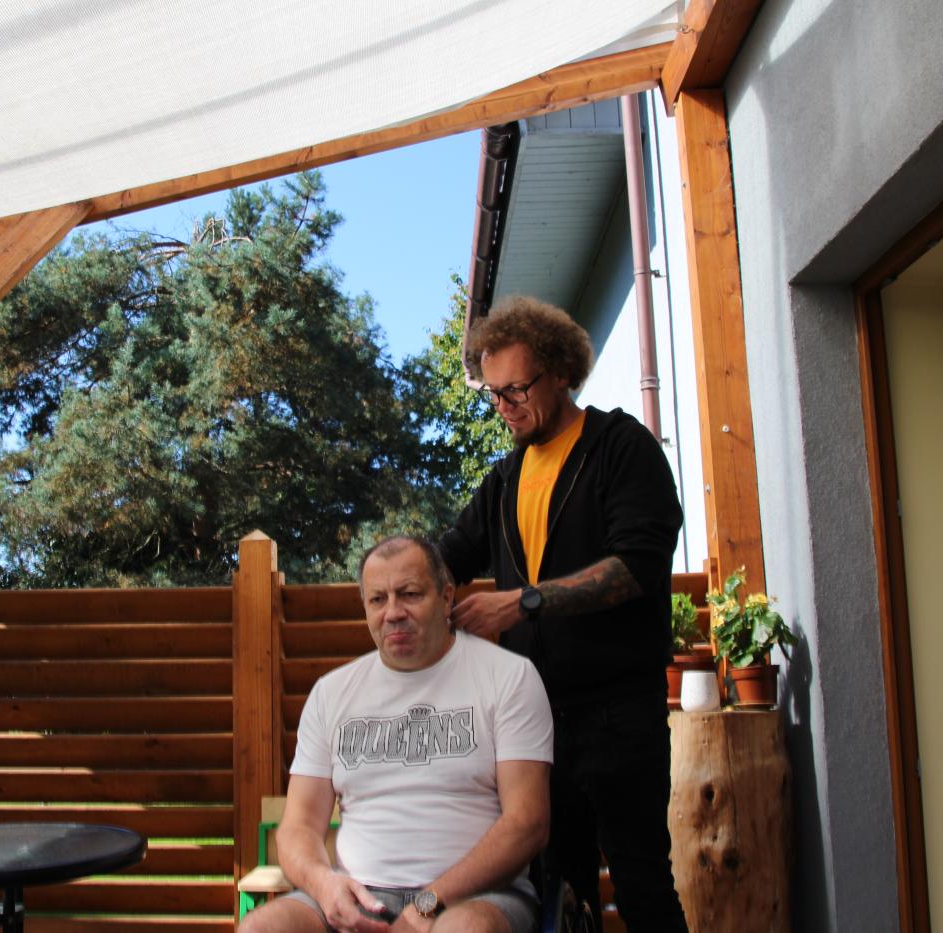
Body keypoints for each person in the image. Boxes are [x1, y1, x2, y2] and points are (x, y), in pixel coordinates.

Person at [437, 295, 688, 931]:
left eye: (516, 389)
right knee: (557, 896)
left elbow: (636, 567)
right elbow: (449, 556)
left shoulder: (621, 448)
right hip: (534, 721)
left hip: (619, 715)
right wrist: (401, 587)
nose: (503, 406)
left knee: (642, 886)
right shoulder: (503, 479)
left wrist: (525, 602)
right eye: (493, 393)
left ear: (560, 373)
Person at [240, 535, 554, 933]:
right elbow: (297, 826)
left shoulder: (508, 677)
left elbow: (528, 822)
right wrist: (324, 886)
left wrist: (427, 903)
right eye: (378, 599)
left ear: (446, 598)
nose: (393, 613)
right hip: (360, 895)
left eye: (409, 594)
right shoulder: (331, 693)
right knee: (262, 927)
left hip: (477, 896)